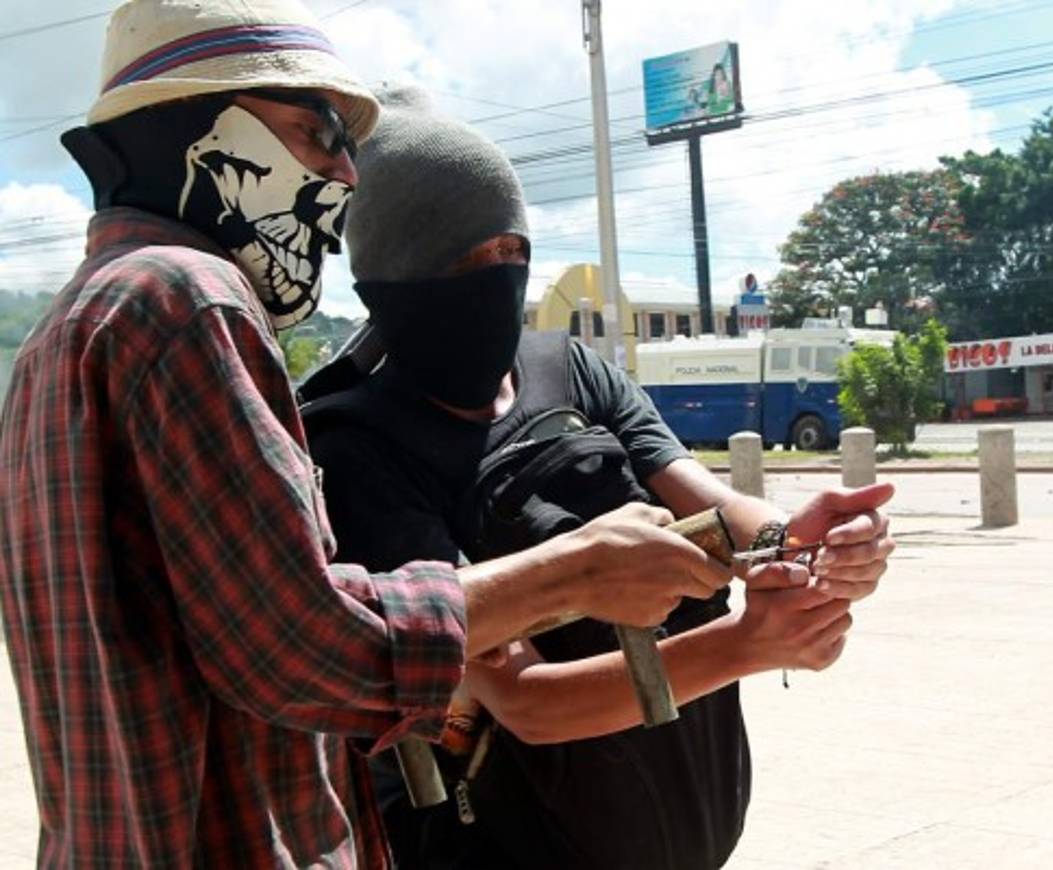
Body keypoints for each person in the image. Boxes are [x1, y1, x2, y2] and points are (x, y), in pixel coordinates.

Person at [0, 3, 730, 867]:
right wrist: (580, 570)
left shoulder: (69, 328)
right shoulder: (189, 299)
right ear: (195, 134)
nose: (346, 176)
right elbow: (303, 648)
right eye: (317, 135)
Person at [304, 88, 895, 870]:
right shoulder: (355, 443)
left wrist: (803, 545)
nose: (500, 274)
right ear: (396, 279)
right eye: (466, 259)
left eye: (512, 249)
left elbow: (709, 500)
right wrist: (749, 644)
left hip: (678, 812)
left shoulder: (570, 367)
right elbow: (522, 701)